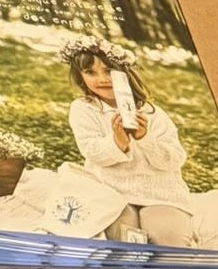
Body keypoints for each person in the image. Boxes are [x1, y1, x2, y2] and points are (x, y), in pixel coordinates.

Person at [64, 43, 194, 250]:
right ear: (81, 77)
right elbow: (91, 150)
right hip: (112, 191)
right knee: (125, 242)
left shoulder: (152, 113)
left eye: (108, 71)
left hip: (160, 194)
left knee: (169, 242)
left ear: (124, 73)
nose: (102, 79)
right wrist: (118, 142)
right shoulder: (83, 109)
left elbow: (173, 160)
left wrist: (145, 138)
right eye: (90, 72)